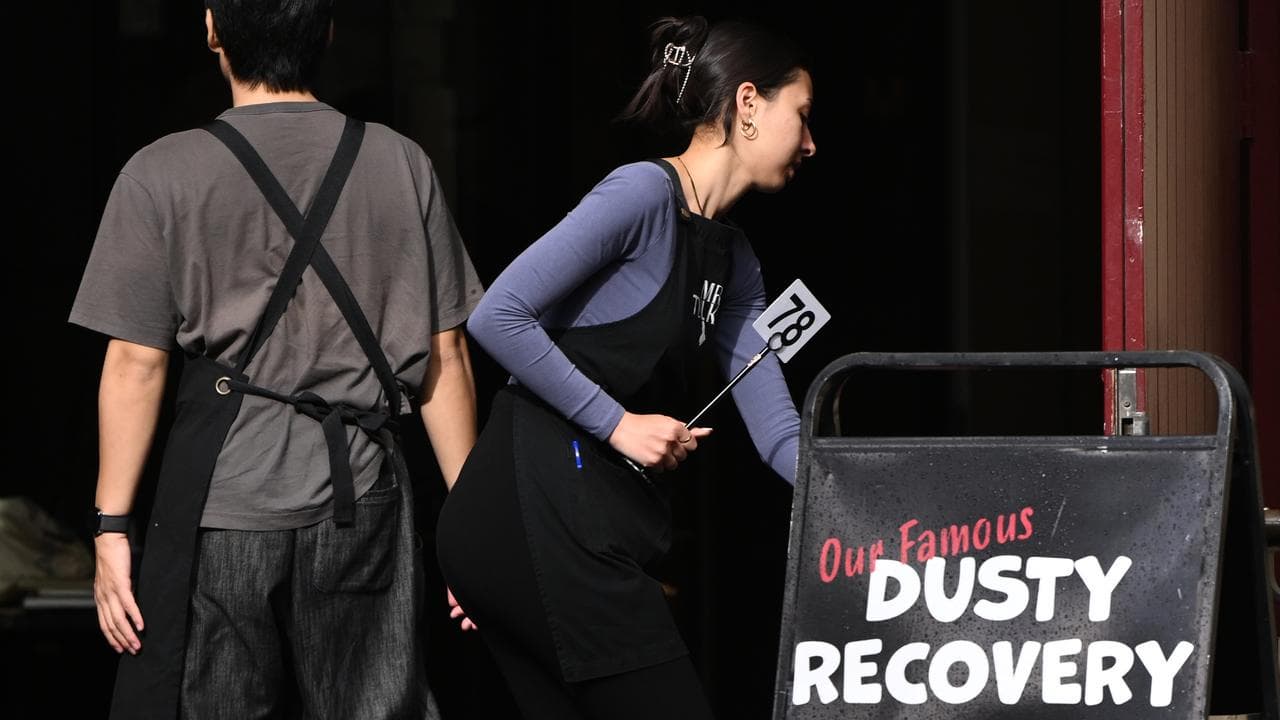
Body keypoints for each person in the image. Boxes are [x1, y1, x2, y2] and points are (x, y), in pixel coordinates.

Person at [69, 1, 483, 718]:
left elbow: (136, 365)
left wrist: (111, 530)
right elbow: (443, 355)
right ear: (327, 33)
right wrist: (476, 535)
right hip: (362, 498)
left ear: (211, 32)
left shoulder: (160, 173)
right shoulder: (399, 162)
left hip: (227, 504)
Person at [435, 15, 815, 719]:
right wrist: (620, 425)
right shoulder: (642, 194)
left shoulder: (736, 261)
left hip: (563, 524)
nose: (812, 142)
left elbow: (777, 434)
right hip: (534, 508)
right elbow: (498, 316)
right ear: (750, 104)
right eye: (804, 115)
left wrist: (868, 493)